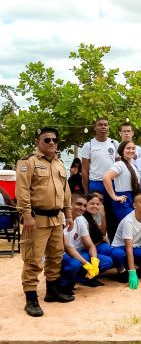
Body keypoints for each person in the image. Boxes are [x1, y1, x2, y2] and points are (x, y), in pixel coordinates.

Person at [16, 127, 74, 316]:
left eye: (54, 140)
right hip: (36, 218)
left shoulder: (59, 164)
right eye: (46, 139)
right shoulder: (28, 162)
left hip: (56, 218)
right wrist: (26, 215)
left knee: (55, 256)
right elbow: (22, 190)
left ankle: (52, 291)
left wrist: (68, 213)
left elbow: (66, 191)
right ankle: (31, 299)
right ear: (37, 142)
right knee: (33, 259)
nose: (51, 143)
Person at [59, 194, 114, 292]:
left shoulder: (80, 219)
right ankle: (64, 286)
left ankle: (83, 278)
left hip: (78, 253)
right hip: (63, 254)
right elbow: (67, 247)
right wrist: (86, 264)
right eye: (78, 204)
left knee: (107, 261)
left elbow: (90, 245)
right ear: (69, 205)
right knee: (75, 264)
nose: (82, 208)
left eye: (84, 205)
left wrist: (94, 261)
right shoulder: (62, 219)